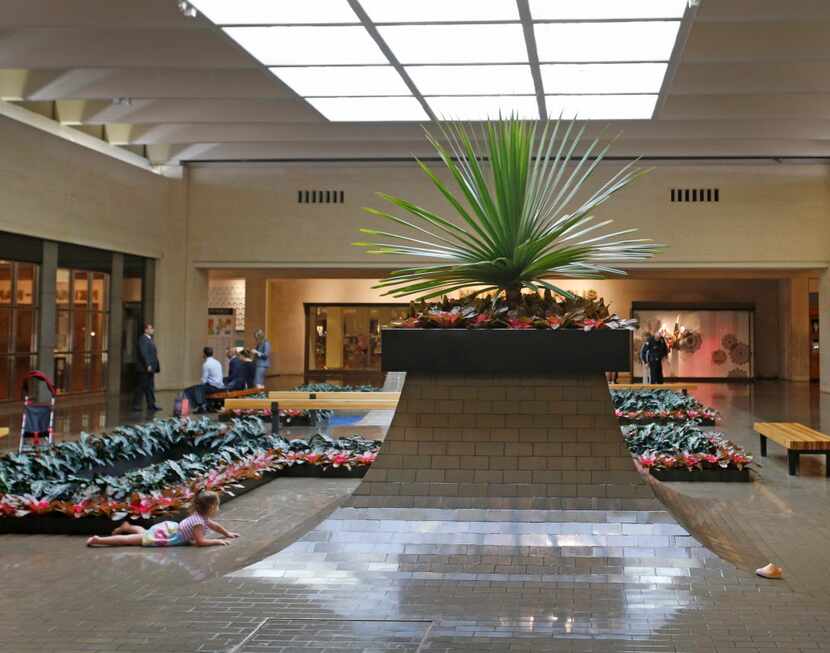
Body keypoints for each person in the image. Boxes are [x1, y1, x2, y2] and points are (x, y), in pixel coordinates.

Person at [86, 490, 239, 548]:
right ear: (210, 508)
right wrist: (217, 541)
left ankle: (127, 527)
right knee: (131, 540)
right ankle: (99, 540)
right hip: (168, 535)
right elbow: (200, 542)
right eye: (217, 506)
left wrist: (227, 533)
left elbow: (216, 526)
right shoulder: (199, 522)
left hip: (170, 529)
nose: (218, 508)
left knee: (143, 534)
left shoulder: (200, 516)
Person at [185, 347, 226, 413]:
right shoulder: (217, 362)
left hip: (214, 387)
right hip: (220, 386)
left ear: (204, 354)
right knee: (198, 388)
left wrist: (200, 385)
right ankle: (206, 406)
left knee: (190, 390)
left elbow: (204, 380)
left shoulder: (206, 364)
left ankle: (201, 407)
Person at [132, 323, 161, 412]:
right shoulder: (143, 339)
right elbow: (143, 353)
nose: (153, 330)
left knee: (150, 387)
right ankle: (136, 405)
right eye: (151, 328)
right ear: (146, 330)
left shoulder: (149, 339)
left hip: (150, 368)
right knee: (141, 386)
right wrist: (148, 364)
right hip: (144, 368)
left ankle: (151, 404)